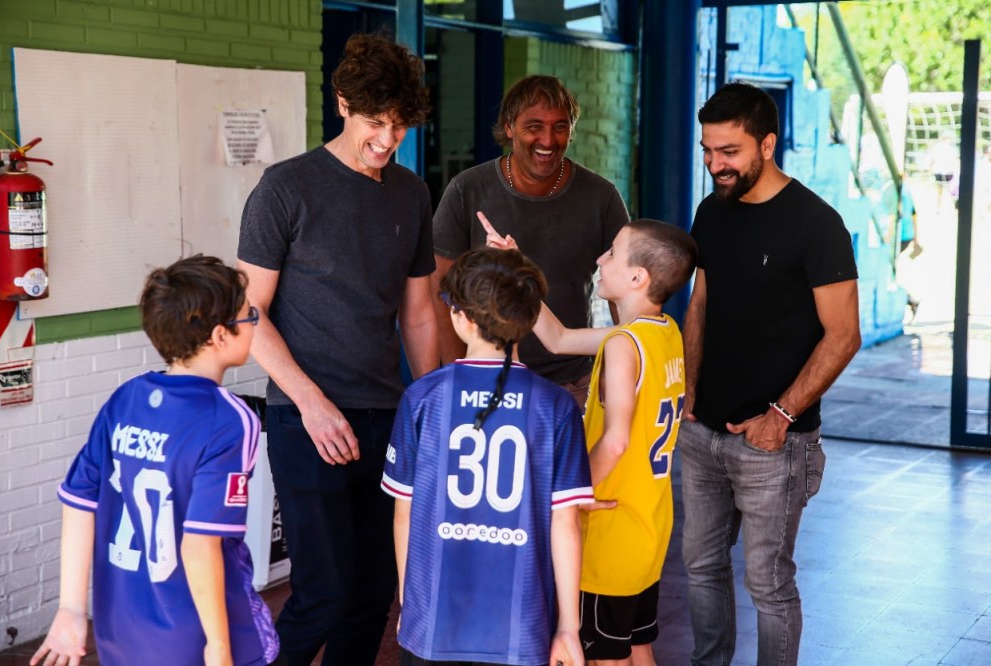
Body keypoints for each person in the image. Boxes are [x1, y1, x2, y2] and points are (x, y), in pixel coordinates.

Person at [236, 33, 438, 665]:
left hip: (386, 418)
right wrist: (312, 403)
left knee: (373, 594)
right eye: (376, 123)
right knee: (323, 591)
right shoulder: (285, 187)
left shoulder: (410, 193)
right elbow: (246, 312)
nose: (387, 140)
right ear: (344, 103)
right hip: (306, 418)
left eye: (400, 127)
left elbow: (419, 313)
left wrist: (432, 405)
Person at [680, 82, 861, 666]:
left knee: (768, 586)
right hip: (703, 433)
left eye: (729, 151)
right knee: (701, 569)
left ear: (767, 143)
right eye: (707, 151)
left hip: (775, 444)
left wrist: (779, 418)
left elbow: (844, 335)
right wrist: (687, 394)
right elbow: (700, 305)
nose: (715, 165)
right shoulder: (712, 210)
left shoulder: (816, 224)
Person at [31, 255, 279, 666]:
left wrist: (71, 609)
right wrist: (218, 647)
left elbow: (77, 503)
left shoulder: (124, 400)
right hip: (197, 633)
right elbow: (201, 545)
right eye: (248, 315)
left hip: (122, 632)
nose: (254, 322)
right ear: (221, 336)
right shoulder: (231, 420)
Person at [487, 218, 697, 665]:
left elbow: (616, 441)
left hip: (608, 533)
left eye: (612, 254)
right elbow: (558, 339)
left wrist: (569, 499)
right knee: (639, 647)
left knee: (605, 656)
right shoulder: (662, 333)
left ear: (638, 277)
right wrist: (518, 265)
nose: (600, 260)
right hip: (647, 528)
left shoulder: (624, 345)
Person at [382, 247, 593, 666]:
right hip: (522, 623)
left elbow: (405, 514)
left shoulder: (423, 397)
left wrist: (410, 602)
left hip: (434, 620)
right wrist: (569, 627)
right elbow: (567, 523)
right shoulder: (556, 407)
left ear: (461, 317)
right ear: (530, 319)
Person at [432, 74, 630, 406]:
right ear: (509, 127)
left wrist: (619, 367)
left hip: (572, 385)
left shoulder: (601, 197)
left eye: (560, 127)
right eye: (534, 126)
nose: (548, 140)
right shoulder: (467, 189)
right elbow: (439, 288)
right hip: (489, 380)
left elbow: (627, 290)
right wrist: (457, 372)